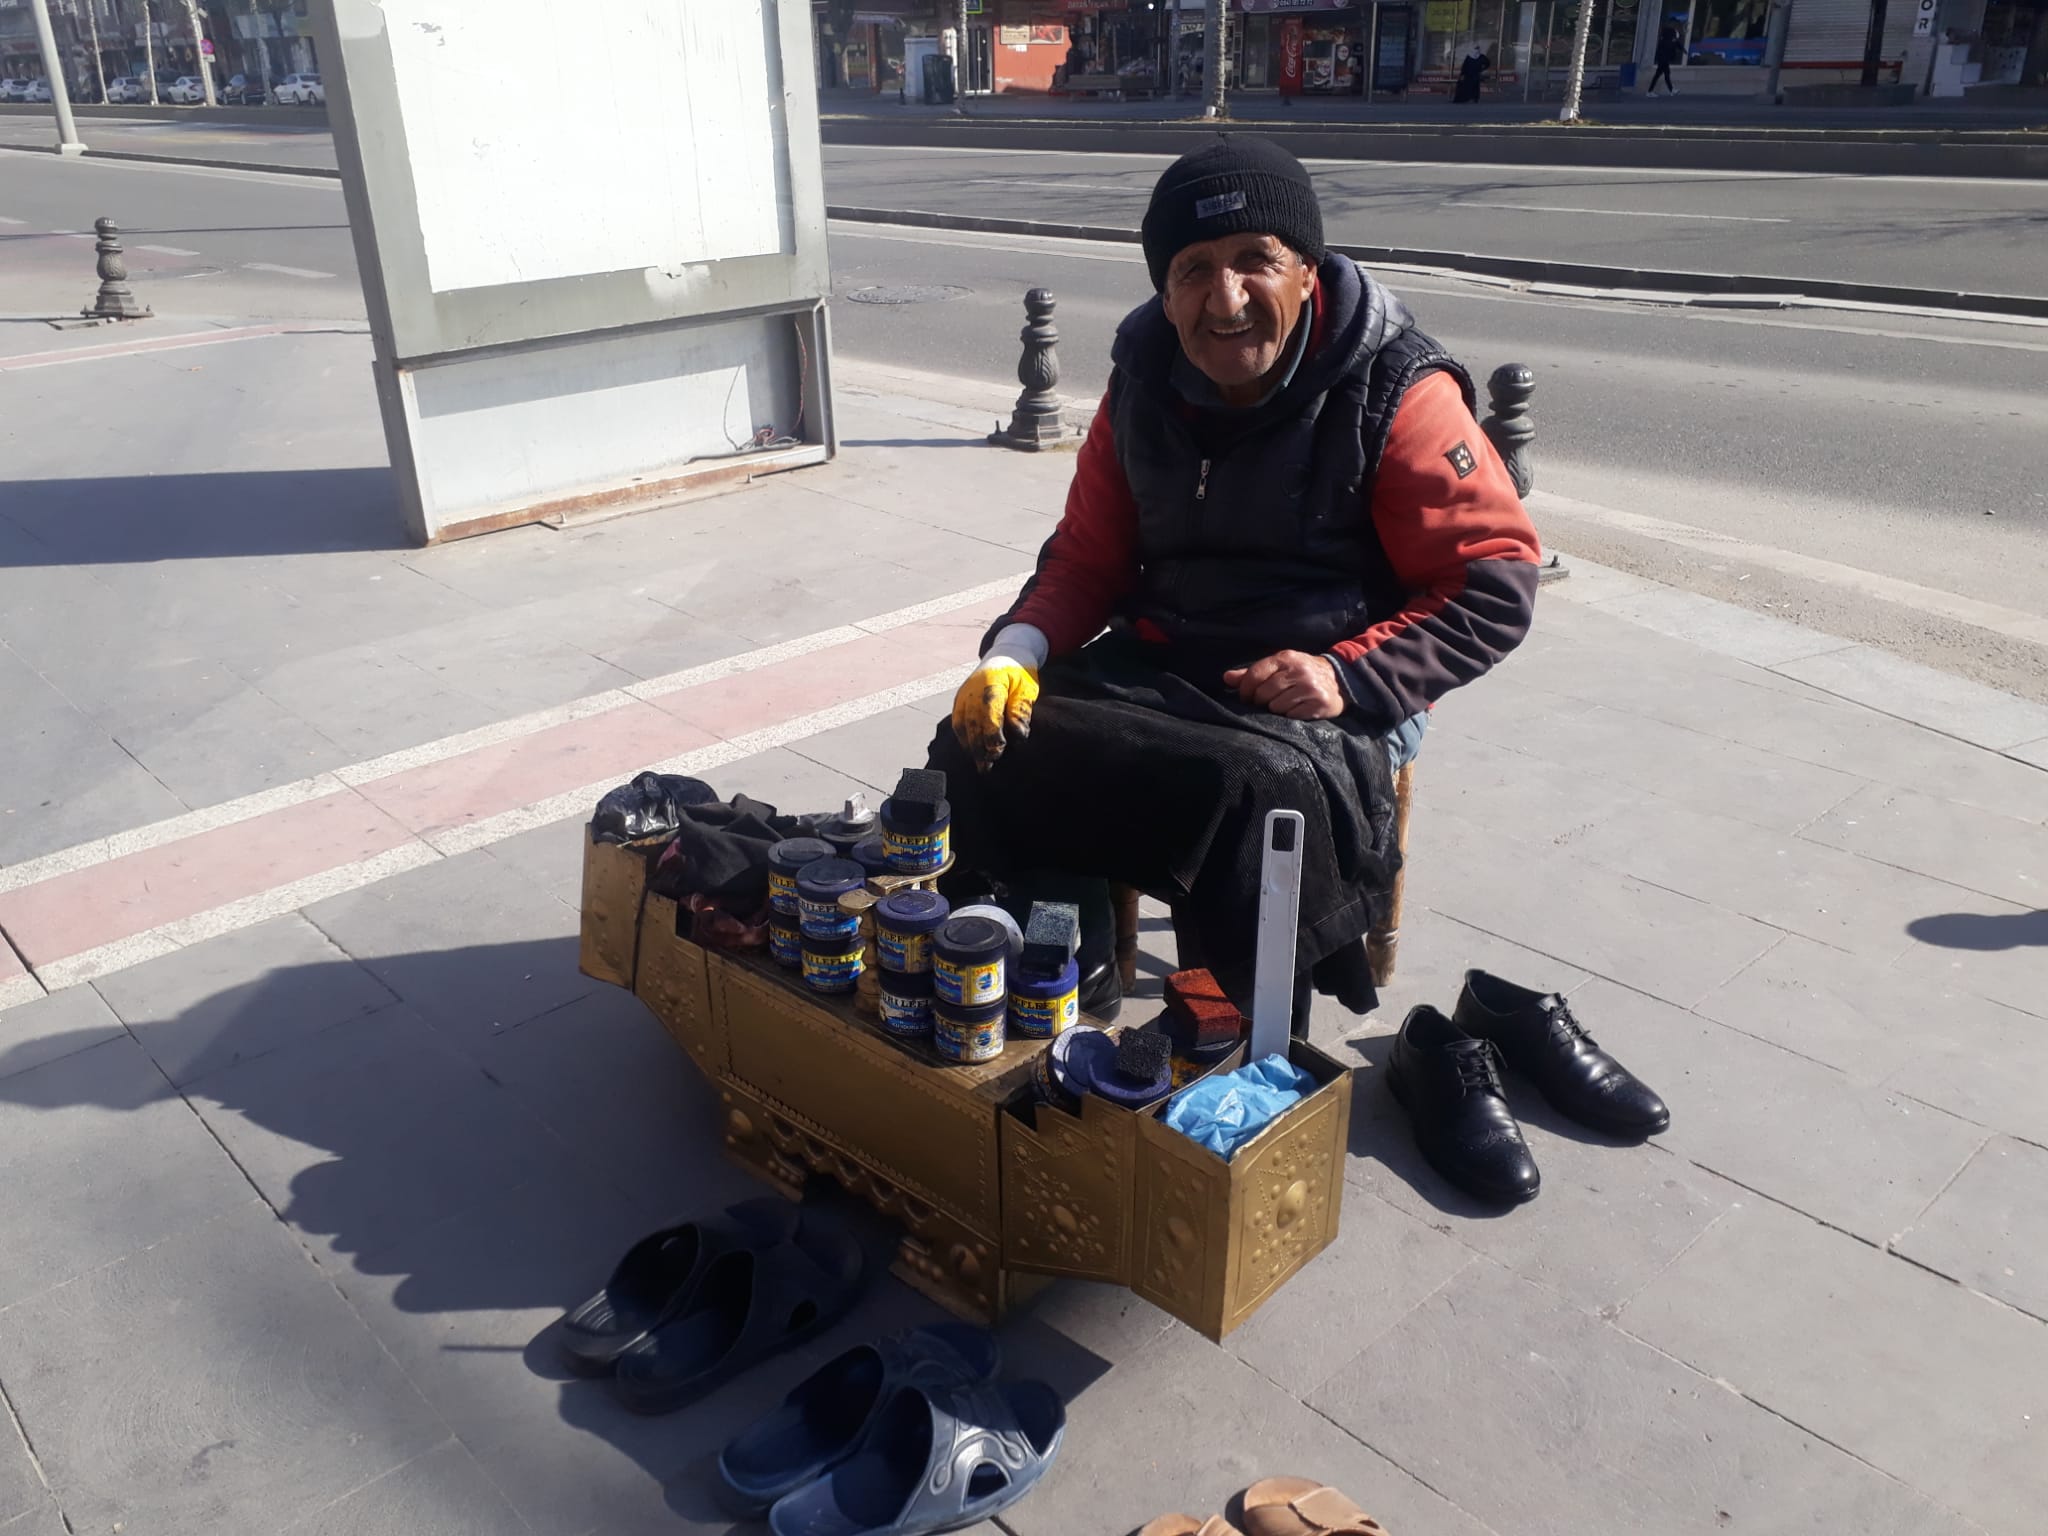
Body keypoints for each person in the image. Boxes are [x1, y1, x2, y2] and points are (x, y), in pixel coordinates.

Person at [934, 136, 1539, 1026]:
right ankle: (1058, 980)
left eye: (1256, 260)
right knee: (986, 744)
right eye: (1193, 269)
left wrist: (1348, 676)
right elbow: (1086, 556)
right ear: (1163, 290)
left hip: (1335, 676)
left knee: (1252, 792)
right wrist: (1014, 652)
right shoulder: (1140, 382)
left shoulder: (1396, 388)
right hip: (1169, 659)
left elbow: (1494, 583)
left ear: (1307, 270)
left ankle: (1238, 1039)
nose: (1226, 300)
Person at [1649, 23, 1683, 94]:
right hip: (1663, 61)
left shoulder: (1664, 40)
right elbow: (1675, 44)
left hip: (1663, 60)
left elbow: (1676, 44)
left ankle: (1670, 90)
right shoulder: (1667, 42)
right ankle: (1670, 90)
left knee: (1661, 75)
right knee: (1664, 75)